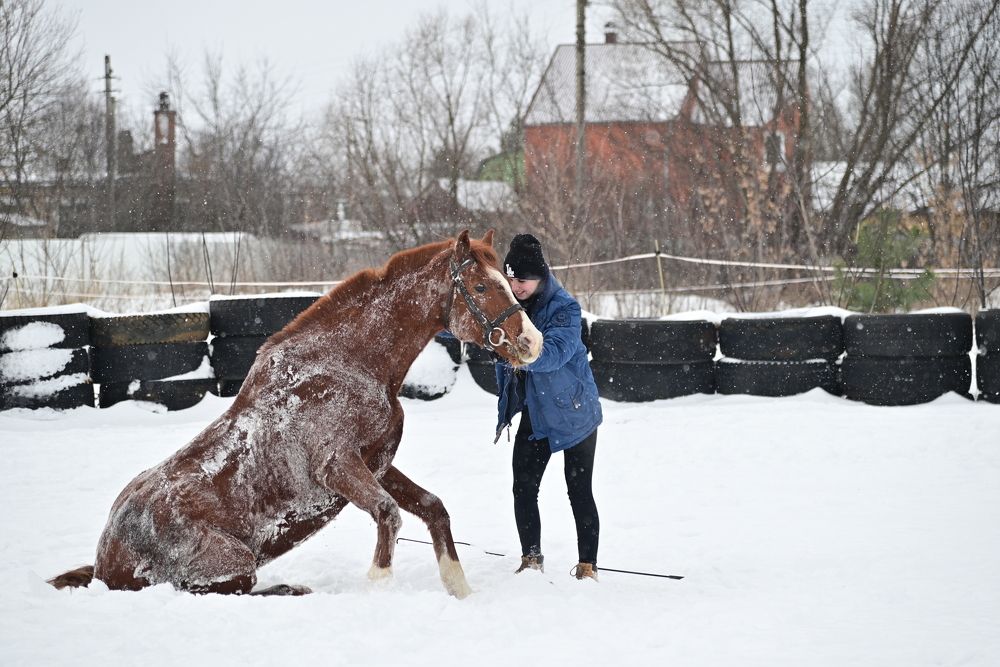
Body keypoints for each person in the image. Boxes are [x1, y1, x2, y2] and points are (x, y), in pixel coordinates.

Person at [494, 234, 603, 581]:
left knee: (578, 490)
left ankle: (587, 566)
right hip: (537, 413)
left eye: (522, 280)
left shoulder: (564, 308)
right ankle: (531, 559)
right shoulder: (509, 302)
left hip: (574, 412)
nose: (515, 286)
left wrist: (514, 354)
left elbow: (554, 354)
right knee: (523, 486)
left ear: (540, 277)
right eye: (510, 278)